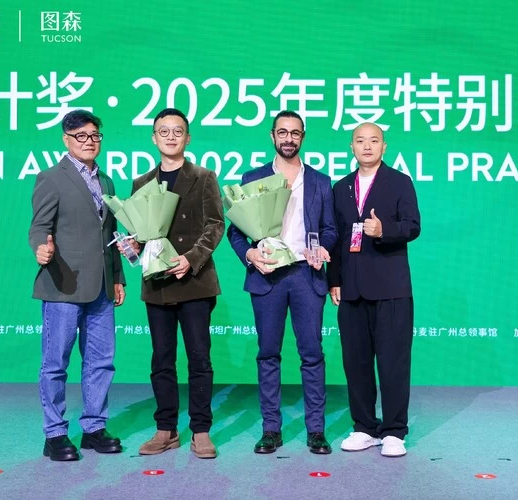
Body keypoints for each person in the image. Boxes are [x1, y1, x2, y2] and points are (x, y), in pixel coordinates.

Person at [228, 110, 338, 455]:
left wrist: (322, 246)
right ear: (272, 136)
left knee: (312, 354)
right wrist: (249, 254)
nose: (289, 138)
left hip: (307, 274)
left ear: (302, 137)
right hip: (268, 276)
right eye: (282, 132)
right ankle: (270, 429)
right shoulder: (253, 178)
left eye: (295, 133)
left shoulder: (320, 181)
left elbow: (330, 229)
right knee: (268, 354)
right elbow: (235, 231)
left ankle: (316, 430)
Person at [125, 108, 224, 459]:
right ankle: (165, 429)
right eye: (163, 131)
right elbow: (140, 232)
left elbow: (215, 225)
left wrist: (191, 259)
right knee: (162, 359)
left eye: (177, 131)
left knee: (199, 358)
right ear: (153, 138)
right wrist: (132, 245)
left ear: (188, 137)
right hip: (158, 284)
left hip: (194, 280)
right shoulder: (141, 183)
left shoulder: (204, 177)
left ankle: (201, 430)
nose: (170, 136)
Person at [28, 110, 126, 461]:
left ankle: (94, 428)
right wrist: (40, 248)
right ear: (66, 139)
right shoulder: (51, 178)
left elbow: (111, 234)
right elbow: (39, 227)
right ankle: (55, 433)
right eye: (81, 136)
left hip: (102, 287)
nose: (89, 141)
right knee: (56, 363)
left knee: (101, 361)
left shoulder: (107, 182)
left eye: (94, 135)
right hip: (63, 285)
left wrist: (118, 277)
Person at [328, 122, 421, 457]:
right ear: (351, 147)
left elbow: (413, 226)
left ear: (384, 147)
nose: (366, 146)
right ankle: (364, 427)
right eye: (360, 140)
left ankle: (394, 431)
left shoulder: (399, 182)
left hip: (391, 288)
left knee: (394, 362)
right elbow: (336, 237)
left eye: (374, 140)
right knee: (356, 363)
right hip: (351, 289)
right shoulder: (341, 188)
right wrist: (334, 280)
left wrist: (384, 230)